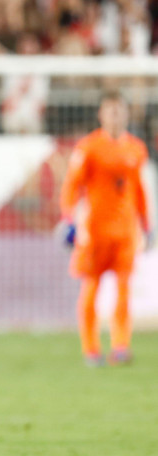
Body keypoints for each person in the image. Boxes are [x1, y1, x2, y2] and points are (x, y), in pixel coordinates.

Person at [59, 89, 152, 367]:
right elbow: (71, 186)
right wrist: (68, 219)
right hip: (95, 232)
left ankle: (121, 346)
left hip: (125, 232)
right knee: (91, 288)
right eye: (110, 110)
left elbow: (139, 190)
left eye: (119, 110)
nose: (115, 115)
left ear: (126, 113)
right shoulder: (87, 148)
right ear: (101, 114)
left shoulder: (136, 148)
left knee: (124, 290)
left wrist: (146, 224)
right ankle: (91, 349)